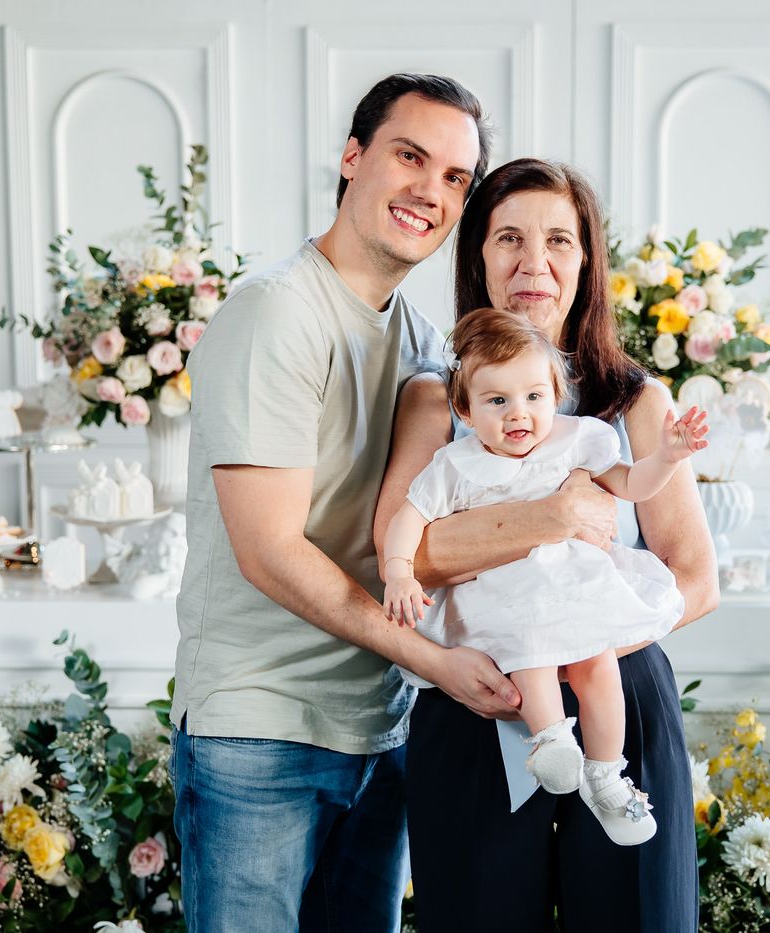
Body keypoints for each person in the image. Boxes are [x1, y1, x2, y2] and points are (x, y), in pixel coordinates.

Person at [171, 74, 512, 933]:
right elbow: (269, 551)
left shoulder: (423, 342)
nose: (430, 191)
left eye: (454, 178)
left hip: (378, 728)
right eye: (410, 156)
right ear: (353, 156)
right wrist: (435, 662)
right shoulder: (276, 314)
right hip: (261, 731)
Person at [374, 158, 719, 930]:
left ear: (586, 260)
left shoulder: (635, 403)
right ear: (477, 257)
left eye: (559, 239)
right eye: (509, 238)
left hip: (617, 690)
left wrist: (582, 643)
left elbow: (696, 577)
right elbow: (403, 554)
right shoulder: (435, 399)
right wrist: (557, 516)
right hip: (478, 697)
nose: (535, 261)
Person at [379, 308, 708, 847]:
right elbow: (407, 519)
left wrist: (668, 457)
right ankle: (551, 740)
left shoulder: (575, 441)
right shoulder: (456, 464)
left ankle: (606, 775)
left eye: (534, 397)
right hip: (507, 596)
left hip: (575, 588)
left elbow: (633, 484)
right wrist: (398, 573)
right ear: (465, 409)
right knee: (528, 651)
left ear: (555, 395)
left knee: (598, 666)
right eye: (496, 401)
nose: (519, 414)